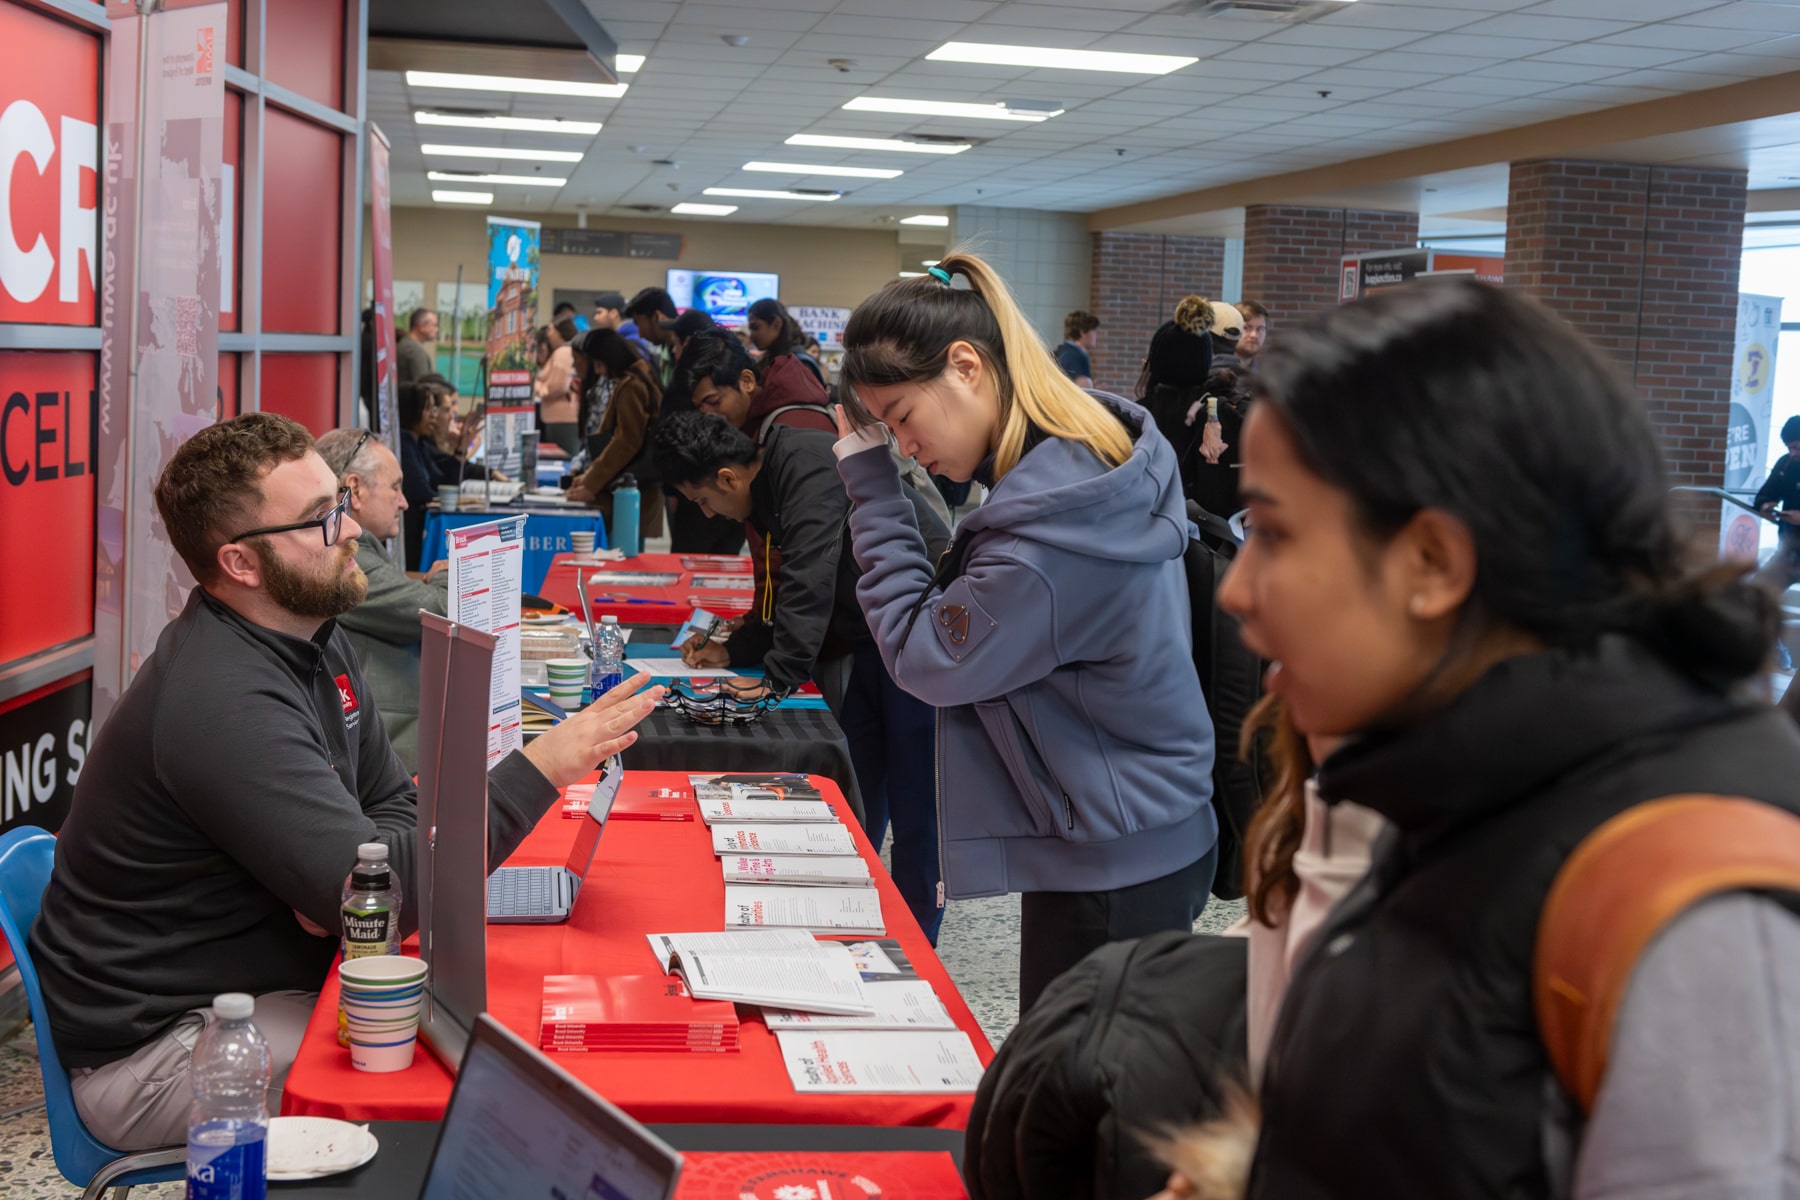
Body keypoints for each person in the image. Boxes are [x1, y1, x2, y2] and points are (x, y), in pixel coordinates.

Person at [1181, 278, 1800, 1198]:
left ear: (1433, 562)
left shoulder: (1690, 884)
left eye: (1273, 532)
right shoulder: (1444, 770)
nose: (1236, 590)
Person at [28, 413, 660, 1151]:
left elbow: (391, 812)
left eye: (343, 504)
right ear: (241, 564)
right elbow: (380, 899)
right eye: (322, 519)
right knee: (465, 1083)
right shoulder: (222, 702)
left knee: (490, 1029)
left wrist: (355, 882)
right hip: (165, 1050)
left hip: (259, 990)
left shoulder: (312, 635)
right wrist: (540, 769)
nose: (352, 529)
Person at [832, 254, 1218, 1013]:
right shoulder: (1080, 460)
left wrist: (871, 483)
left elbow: (921, 655)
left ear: (967, 367)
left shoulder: (1049, 540)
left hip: (1115, 856)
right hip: (1129, 830)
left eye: (904, 418)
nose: (905, 448)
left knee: (1082, 1107)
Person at [654, 411, 951, 941]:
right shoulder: (768, 481)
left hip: (917, 632)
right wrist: (739, 647)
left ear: (727, 478)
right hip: (863, 639)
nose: (710, 514)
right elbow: (781, 584)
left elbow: (810, 573)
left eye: (704, 501)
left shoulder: (806, 465)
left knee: (916, 805)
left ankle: (916, 941)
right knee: (859, 788)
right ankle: (855, 920)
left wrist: (775, 679)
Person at [316, 428, 449, 775]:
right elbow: (442, 609)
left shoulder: (362, 551)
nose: (404, 502)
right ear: (355, 490)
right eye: (395, 487)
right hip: (398, 762)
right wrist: (447, 574)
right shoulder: (344, 559)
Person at [567, 328, 665, 541]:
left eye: (599, 363)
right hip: (637, 485)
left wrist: (591, 482)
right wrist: (589, 476)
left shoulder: (631, 386)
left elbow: (626, 442)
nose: (598, 371)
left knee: (625, 554)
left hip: (631, 487)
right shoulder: (641, 375)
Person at [686, 327, 833, 439]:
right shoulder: (755, 421)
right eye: (700, 408)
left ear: (747, 381)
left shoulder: (793, 429)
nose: (707, 416)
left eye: (713, 401)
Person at [747, 297, 825, 386]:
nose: (751, 335)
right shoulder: (771, 359)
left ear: (776, 324)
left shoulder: (798, 364)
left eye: (755, 327)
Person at [534, 319, 580, 455]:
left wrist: (537, 385)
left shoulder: (562, 353)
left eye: (551, 330)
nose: (548, 334)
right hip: (561, 416)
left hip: (562, 417)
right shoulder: (567, 351)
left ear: (558, 332)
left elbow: (557, 386)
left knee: (563, 459)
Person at [1054, 310, 1100, 387]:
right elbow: (1085, 389)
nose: (1097, 335)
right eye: (1094, 331)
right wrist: (1096, 392)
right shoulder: (1077, 356)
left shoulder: (1060, 351)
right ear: (1082, 332)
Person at [396, 306, 436, 389]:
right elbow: (424, 389)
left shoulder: (405, 344)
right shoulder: (415, 352)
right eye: (434, 325)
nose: (436, 329)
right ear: (421, 326)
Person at [1229, 300, 1268, 373]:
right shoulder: (1213, 371)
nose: (1254, 335)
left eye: (1260, 329)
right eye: (1246, 328)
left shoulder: (1267, 375)